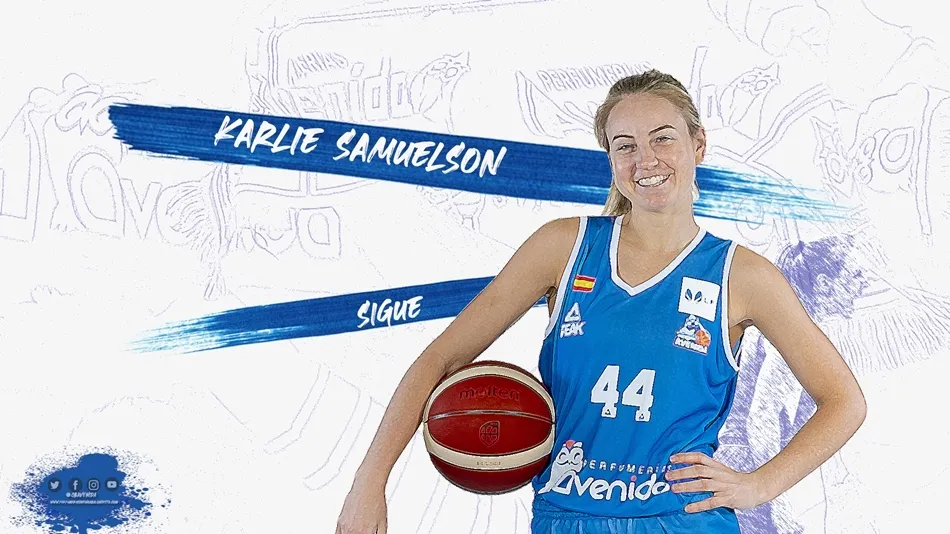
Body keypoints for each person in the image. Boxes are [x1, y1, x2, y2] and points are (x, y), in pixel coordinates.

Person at [335, 69, 867, 534]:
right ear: (610, 158)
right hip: (567, 514)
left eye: (662, 138)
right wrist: (370, 480)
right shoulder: (564, 247)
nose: (646, 159)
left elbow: (844, 401)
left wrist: (759, 485)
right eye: (625, 145)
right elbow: (441, 359)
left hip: (681, 519)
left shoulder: (742, 274)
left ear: (698, 145)